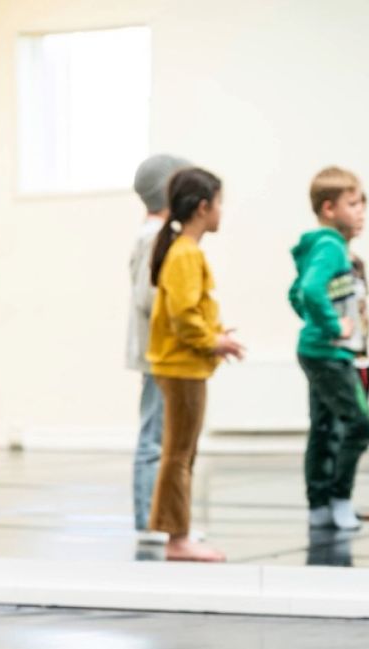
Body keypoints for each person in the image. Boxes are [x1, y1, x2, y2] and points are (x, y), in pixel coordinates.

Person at [145, 167, 243, 562]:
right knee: (179, 455)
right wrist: (213, 340)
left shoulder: (185, 252)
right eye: (219, 203)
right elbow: (183, 315)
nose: (221, 211)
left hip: (184, 365)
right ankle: (177, 538)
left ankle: (177, 533)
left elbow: (192, 310)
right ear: (203, 207)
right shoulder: (185, 254)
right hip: (182, 366)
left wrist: (216, 333)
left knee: (180, 453)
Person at [290, 167, 369, 529]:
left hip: (323, 350)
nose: (360, 212)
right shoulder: (330, 246)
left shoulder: (331, 248)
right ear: (329, 208)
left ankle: (320, 505)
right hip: (328, 353)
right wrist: (331, 326)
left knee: (324, 427)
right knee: (359, 425)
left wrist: (314, 321)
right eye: (352, 204)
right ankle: (339, 497)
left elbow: (295, 293)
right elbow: (308, 291)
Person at [127, 154, 191, 541]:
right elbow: (150, 297)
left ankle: (157, 520)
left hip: (161, 352)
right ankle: (149, 523)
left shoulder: (156, 235)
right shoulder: (153, 238)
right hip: (159, 353)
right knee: (155, 438)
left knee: (162, 435)